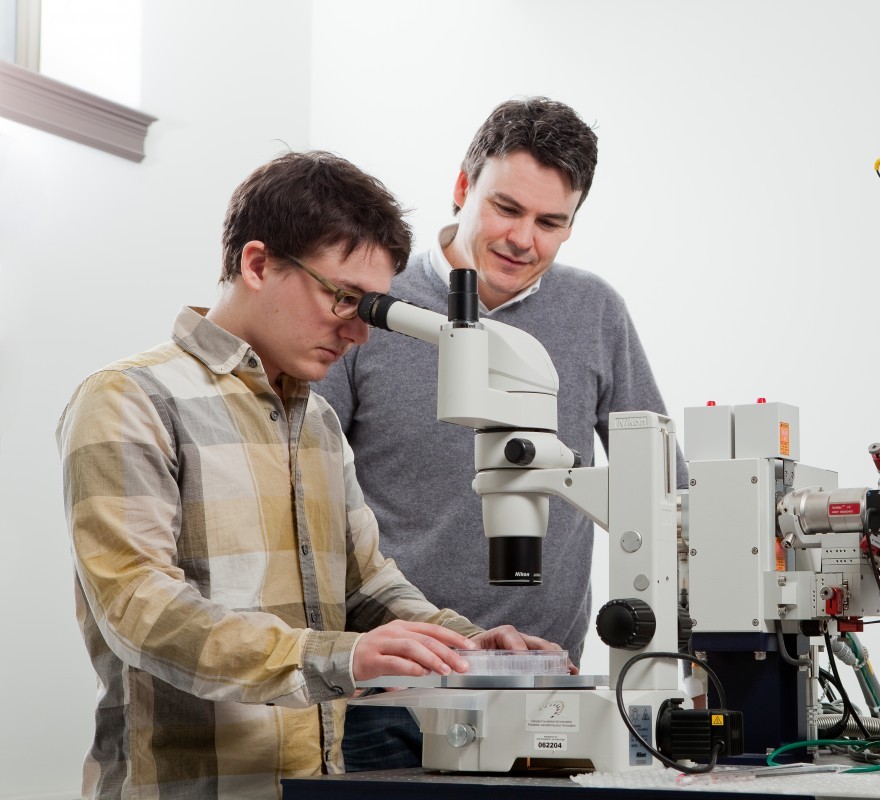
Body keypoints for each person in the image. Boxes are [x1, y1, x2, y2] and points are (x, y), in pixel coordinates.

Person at [56, 150, 560, 800]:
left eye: (370, 307)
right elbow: (139, 608)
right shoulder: (128, 399)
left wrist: (463, 646)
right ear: (258, 263)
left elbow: (365, 584)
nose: (359, 333)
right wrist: (336, 657)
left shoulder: (317, 420)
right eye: (344, 298)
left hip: (315, 787)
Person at [315, 96, 686, 771]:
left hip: (542, 684)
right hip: (390, 688)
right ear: (462, 187)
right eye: (507, 209)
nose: (524, 240)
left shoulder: (594, 311)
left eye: (551, 222)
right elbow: (307, 490)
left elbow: (665, 490)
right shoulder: (373, 301)